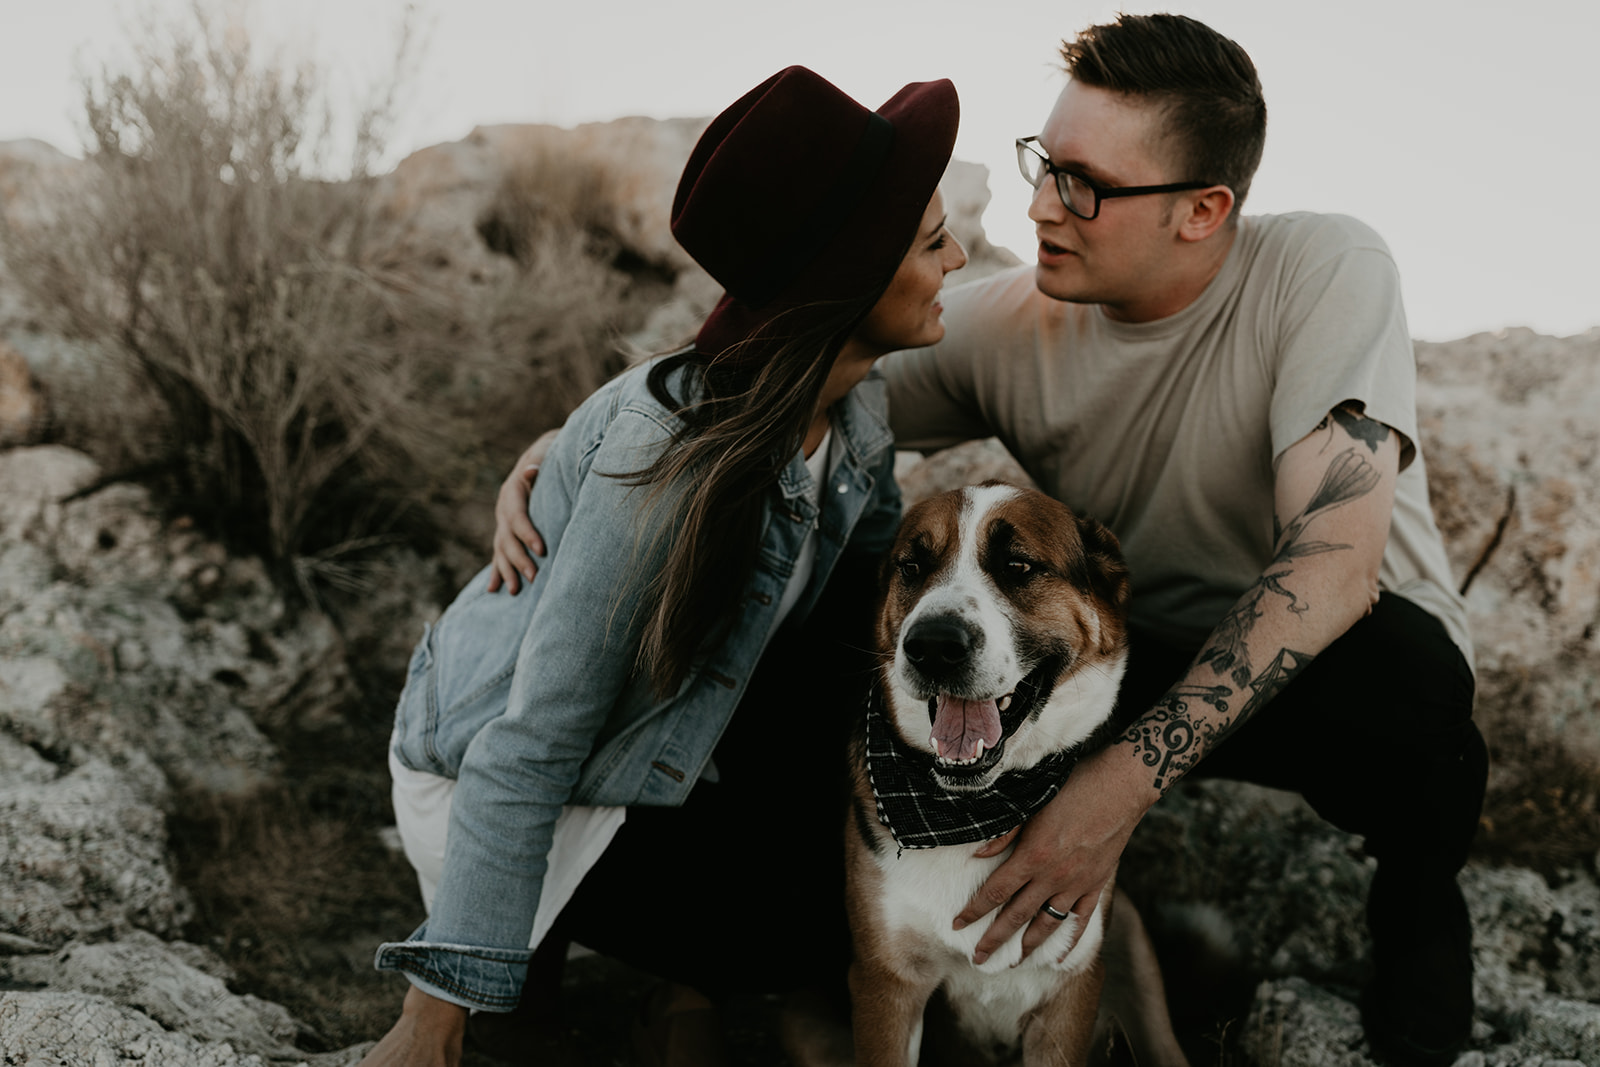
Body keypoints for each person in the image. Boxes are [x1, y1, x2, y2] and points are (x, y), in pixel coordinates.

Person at [498, 15, 1485, 1067]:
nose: (1039, 207)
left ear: (1204, 210)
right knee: (832, 622)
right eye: (1043, 165)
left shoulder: (1323, 267)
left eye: (1085, 185)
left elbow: (1335, 562)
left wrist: (1109, 790)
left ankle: (1420, 918)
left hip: (1327, 658)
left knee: (1416, 687)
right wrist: (581, 440)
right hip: (1102, 643)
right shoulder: (1014, 319)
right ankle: (769, 947)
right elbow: (792, 370)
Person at [362, 65, 965, 1067]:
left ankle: (681, 972)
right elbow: (534, 738)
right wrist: (435, 1015)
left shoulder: (855, 416)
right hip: (521, 777)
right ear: (849, 275)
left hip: (673, 736)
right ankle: (534, 957)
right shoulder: (665, 467)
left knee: (874, 807)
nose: (956, 256)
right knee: (810, 927)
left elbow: (862, 632)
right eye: (929, 238)